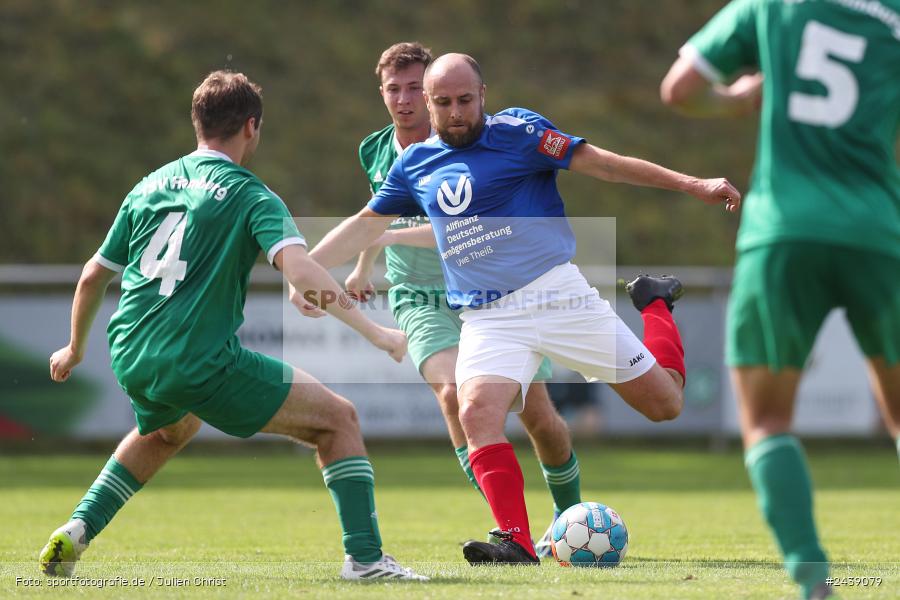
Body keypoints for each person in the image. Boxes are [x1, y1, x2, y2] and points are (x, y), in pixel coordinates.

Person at [307, 53, 741, 565]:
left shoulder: (521, 132)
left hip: (557, 295)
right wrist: (304, 268)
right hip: (489, 317)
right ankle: (513, 539)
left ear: (483, 94)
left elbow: (603, 163)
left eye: (465, 100)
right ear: (429, 103)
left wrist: (694, 184)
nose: (456, 112)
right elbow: (366, 223)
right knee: (474, 411)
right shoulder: (413, 164)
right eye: (443, 103)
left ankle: (654, 304)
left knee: (665, 405)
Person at [39, 70, 427, 582]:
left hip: (130, 351)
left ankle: (79, 527)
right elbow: (302, 269)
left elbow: (93, 276)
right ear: (251, 127)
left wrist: (73, 348)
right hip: (198, 358)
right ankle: (367, 560)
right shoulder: (250, 194)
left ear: (198, 124)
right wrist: (376, 333)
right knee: (338, 420)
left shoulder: (149, 185)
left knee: (165, 432)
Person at [660, 1, 900, 598]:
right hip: (878, 231)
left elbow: (680, 90)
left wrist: (739, 100)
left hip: (784, 231)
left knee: (767, 421)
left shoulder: (771, 5)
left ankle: (812, 578)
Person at [342, 41, 584, 556]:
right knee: (453, 395)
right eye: (394, 89)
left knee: (538, 415)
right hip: (417, 295)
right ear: (382, 94)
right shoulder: (374, 149)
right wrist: (363, 265)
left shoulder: (460, 140)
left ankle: (572, 517)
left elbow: (455, 229)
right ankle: (509, 525)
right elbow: (376, 214)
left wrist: (379, 241)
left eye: (414, 88)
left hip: (491, 291)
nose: (405, 99)